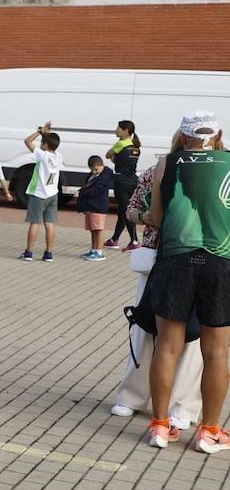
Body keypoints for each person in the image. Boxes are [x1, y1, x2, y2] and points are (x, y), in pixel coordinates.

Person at [145, 111, 230, 454]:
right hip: (221, 261)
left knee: (167, 345)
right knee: (217, 350)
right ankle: (209, 431)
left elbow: (155, 218)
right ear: (218, 133)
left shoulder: (166, 164)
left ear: (183, 134)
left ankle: (160, 427)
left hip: (175, 259)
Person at [110, 148, 203, 428]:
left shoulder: (213, 174)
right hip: (156, 259)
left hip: (198, 261)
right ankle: (132, 396)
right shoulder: (155, 172)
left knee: (193, 337)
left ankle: (183, 407)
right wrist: (146, 217)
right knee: (145, 329)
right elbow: (132, 208)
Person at [20, 123, 63, 262]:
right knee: (49, 224)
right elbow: (48, 145)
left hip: (39, 193)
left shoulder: (42, 155)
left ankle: (29, 252)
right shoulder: (58, 157)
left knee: (35, 223)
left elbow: (27, 141)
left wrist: (40, 131)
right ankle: (49, 253)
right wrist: (46, 135)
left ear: (44, 144)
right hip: (52, 193)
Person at [106, 120, 142, 251]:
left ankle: (134, 241)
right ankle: (114, 239)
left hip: (121, 182)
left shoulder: (121, 143)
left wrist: (113, 156)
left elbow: (108, 154)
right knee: (123, 211)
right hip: (133, 181)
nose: (116, 130)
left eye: (119, 128)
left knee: (125, 211)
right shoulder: (135, 145)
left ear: (126, 131)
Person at [77, 155, 115, 261]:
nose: (94, 171)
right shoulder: (94, 175)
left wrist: (83, 193)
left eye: (96, 169)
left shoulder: (104, 176)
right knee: (93, 230)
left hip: (98, 206)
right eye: (92, 169)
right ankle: (93, 249)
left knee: (98, 229)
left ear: (101, 165)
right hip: (90, 206)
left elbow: (97, 190)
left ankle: (99, 251)